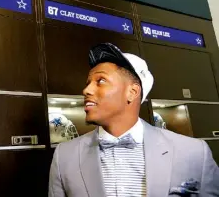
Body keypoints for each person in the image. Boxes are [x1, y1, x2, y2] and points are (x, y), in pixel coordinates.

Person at [48, 43, 219, 197]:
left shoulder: (194, 153)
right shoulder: (64, 156)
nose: (86, 90)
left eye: (100, 81)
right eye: (88, 82)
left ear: (132, 92)